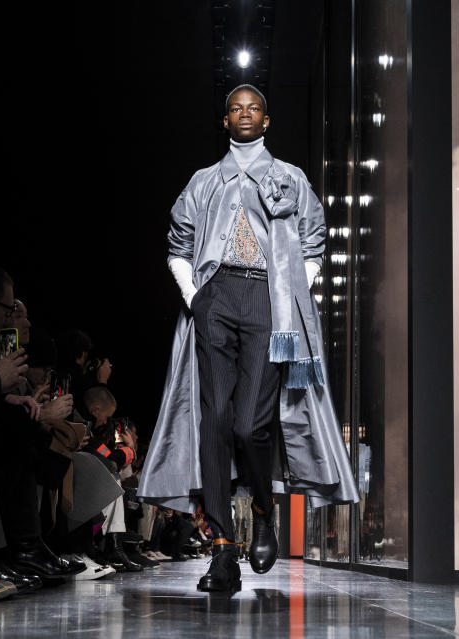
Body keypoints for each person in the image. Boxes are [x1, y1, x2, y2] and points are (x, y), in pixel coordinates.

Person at [138, 84, 358, 594]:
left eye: (253, 108)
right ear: (225, 121)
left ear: (266, 120)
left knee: (250, 425)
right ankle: (221, 549)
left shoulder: (291, 179)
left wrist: (291, 294)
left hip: (268, 303)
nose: (244, 114)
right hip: (215, 299)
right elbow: (178, 246)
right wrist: (195, 296)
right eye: (235, 108)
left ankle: (262, 509)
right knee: (213, 420)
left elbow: (315, 243)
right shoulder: (203, 181)